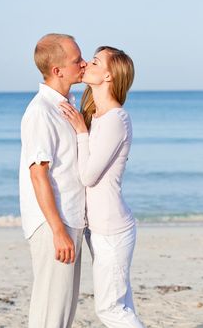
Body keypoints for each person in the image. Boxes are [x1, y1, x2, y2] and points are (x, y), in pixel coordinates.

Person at [60, 46, 145, 327]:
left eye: (95, 62)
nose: (86, 64)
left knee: (110, 309)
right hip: (97, 228)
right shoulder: (95, 115)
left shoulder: (116, 119)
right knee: (121, 305)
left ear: (109, 76)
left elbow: (88, 176)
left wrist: (81, 132)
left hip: (112, 229)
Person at [19, 33, 87, 328]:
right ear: (57, 70)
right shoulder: (40, 111)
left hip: (70, 219)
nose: (84, 64)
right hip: (53, 224)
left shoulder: (66, 104)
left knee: (63, 311)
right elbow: (38, 174)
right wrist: (58, 230)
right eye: (77, 60)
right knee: (50, 312)